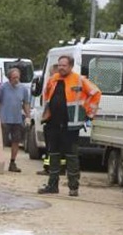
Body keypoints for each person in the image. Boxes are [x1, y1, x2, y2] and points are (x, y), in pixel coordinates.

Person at [38, 55, 101, 197]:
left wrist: (89, 112)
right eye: (59, 65)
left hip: (70, 126)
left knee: (71, 156)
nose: (61, 67)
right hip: (52, 123)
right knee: (53, 155)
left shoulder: (79, 80)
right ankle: (52, 185)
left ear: (71, 66)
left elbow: (96, 93)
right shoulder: (53, 79)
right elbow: (47, 96)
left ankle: (73, 187)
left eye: (64, 65)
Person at [0, 68, 31, 173]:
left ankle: (12, 163)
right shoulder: (3, 88)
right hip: (4, 120)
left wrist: (28, 116)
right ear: (9, 78)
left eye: (18, 77)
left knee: (16, 141)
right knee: (0, 142)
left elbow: (25, 103)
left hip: (17, 120)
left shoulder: (23, 89)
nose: (16, 80)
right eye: (14, 78)